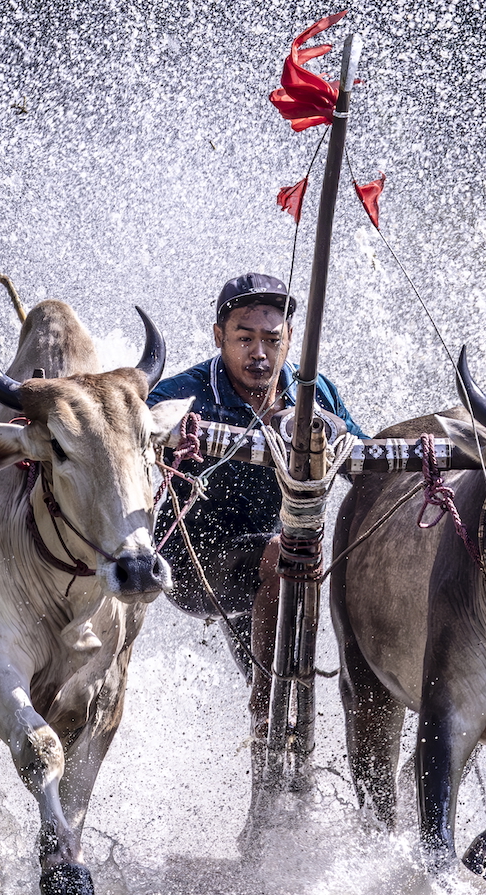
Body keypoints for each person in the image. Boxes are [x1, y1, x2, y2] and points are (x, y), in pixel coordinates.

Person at [147, 272, 367, 805]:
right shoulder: (185, 391)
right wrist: (166, 433)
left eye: (272, 339)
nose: (259, 353)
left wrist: (324, 430)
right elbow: (132, 427)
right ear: (219, 335)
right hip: (194, 562)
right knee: (284, 554)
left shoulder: (315, 392)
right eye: (245, 338)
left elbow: (366, 460)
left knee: (301, 567)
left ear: (290, 341)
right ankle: (266, 759)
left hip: (280, 574)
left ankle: (293, 784)